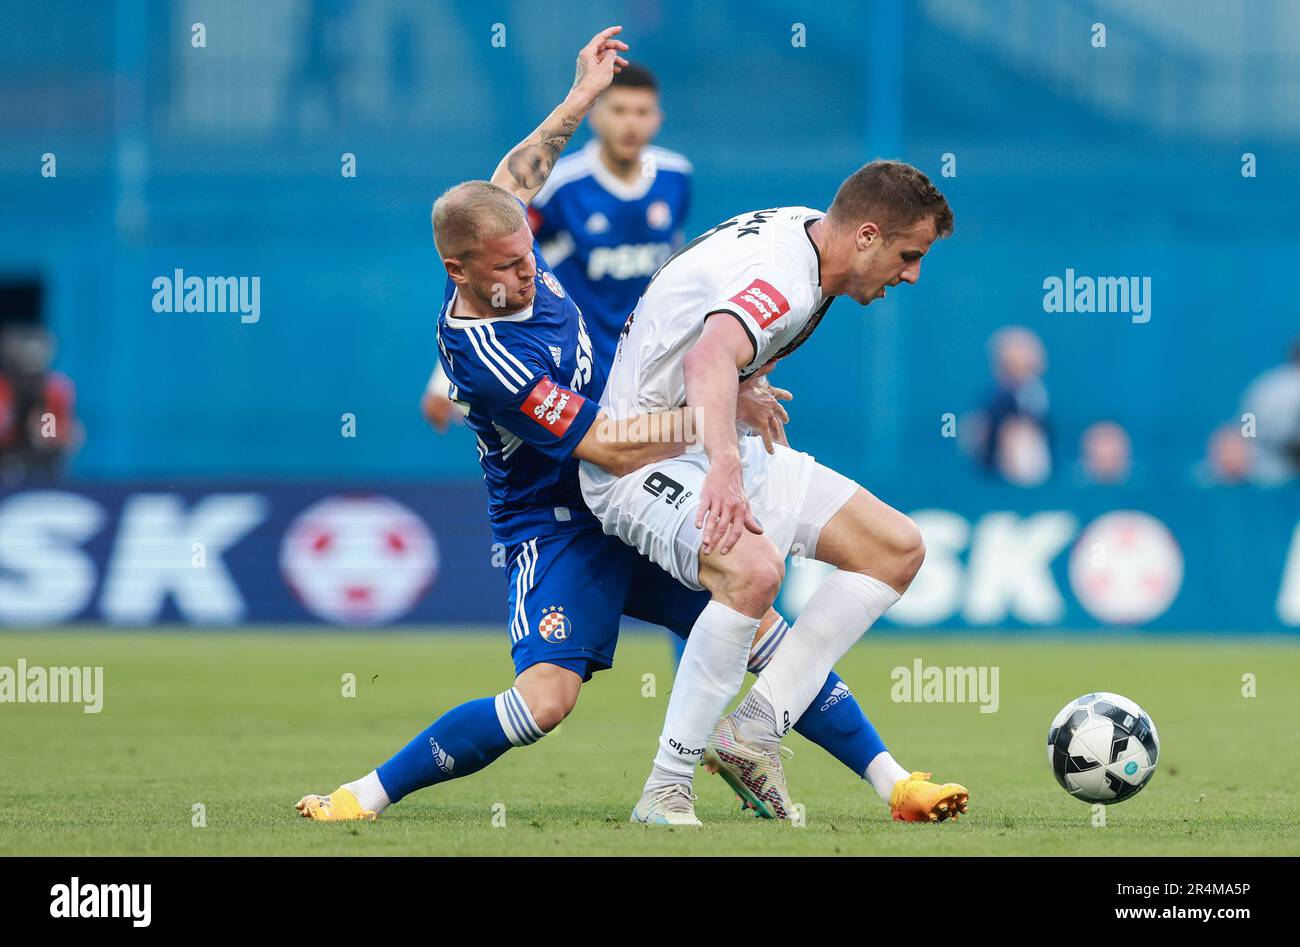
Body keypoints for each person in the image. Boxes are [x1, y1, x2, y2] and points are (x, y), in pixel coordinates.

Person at [297, 30, 960, 828]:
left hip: (647, 458)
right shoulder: (486, 356)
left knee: (768, 618)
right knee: (547, 701)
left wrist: (577, 100)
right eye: (508, 267)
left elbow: (511, 183)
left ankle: (889, 782)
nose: (529, 269)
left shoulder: (507, 248)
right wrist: (725, 412)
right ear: (460, 272)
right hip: (562, 513)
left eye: (526, 252)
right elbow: (607, 444)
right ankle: (360, 796)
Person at [580, 161, 969, 825]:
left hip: (707, 435)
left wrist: (747, 386)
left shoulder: (809, 235)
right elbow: (708, 358)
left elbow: (712, 334)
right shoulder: (787, 277)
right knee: (755, 570)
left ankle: (755, 731)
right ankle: (666, 786)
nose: (912, 276)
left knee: (897, 549)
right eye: (910, 255)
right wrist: (727, 469)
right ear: (867, 236)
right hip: (638, 460)